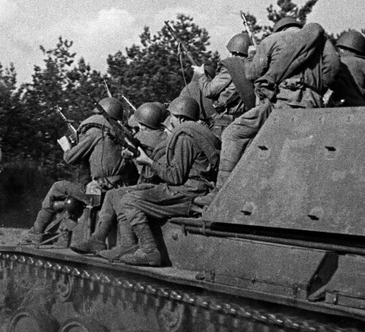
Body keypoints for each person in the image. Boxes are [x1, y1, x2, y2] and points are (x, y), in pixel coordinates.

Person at [215, 19, 340, 189]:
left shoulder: (271, 40)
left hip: (280, 103)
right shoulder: (322, 42)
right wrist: (314, 89)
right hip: (313, 104)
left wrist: (251, 55)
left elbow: (252, 74)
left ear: (280, 28)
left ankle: (221, 191)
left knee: (233, 134)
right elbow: (333, 67)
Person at [110, 96, 220, 266]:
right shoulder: (199, 131)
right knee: (122, 194)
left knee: (129, 200)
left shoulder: (185, 138)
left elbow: (175, 177)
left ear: (181, 117)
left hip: (187, 191)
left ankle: (149, 251)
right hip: (192, 187)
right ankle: (128, 246)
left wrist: (148, 162)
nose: (170, 121)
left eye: (172, 116)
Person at [23, 97, 135, 244]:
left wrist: (67, 148)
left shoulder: (95, 132)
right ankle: (66, 229)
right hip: (119, 188)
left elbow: (70, 158)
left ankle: (36, 232)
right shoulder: (120, 134)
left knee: (58, 187)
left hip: (100, 191)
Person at [70, 102, 169, 255]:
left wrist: (133, 155)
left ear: (143, 123)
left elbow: (147, 169)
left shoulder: (143, 137)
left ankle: (117, 242)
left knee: (120, 197)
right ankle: (99, 239)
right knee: (113, 194)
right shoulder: (165, 136)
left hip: (155, 186)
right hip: (157, 184)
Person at [195, 33, 256, 137]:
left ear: (234, 52)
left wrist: (201, 75)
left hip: (227, 121)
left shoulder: (230, 66)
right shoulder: (253, 65)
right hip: (247, 119)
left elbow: (208, 91)